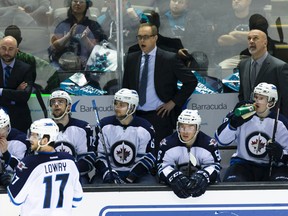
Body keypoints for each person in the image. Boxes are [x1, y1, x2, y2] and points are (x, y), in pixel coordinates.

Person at [122, 23, 198, 153]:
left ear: (155, 38)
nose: (142, 40)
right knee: (137, 153)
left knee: (160, 155)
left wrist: (173, 102)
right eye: (139, 37)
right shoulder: (131, 58)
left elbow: (191, 81)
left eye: (146, 37)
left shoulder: (169, 58)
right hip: (136, 116)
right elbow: (126, 87)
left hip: (159, 116)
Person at [7, 118, 83, 216]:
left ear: (45, 140)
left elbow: (15, 199)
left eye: (34, 135)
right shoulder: (69, 160)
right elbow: (77, 199)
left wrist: (11, 180)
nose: (30, 139)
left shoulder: (30, 163)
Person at [215, 82, 288, 182]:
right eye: (256, 97)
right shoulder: (242, 116)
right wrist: (232, 124)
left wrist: (281, 154)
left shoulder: (280, 122)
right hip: (243, 164)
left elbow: (286, 153)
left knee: (281, 185)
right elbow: (221, 141)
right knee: (233, 184)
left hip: (272, 167)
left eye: (261, 98)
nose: (256, 101)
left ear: (271, 102)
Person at [93, 88, 156, 184]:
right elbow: (99, 156)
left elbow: (148, 158)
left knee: (149, 185)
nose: (117, 107)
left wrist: (131, 176)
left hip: (137, 174)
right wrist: (107, 173)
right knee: (96, 185)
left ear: (132, 107)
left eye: (122, 105)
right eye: (116, 103)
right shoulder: (104, 125)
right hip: (111, 172)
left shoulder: (145, 127)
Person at [157, 109, 221, 198]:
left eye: (190, 127)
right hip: (172, 194)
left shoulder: (209, 144)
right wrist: (173, 176)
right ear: (177, 127)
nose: (185, 131)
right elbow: (162, 166)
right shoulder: (167, 144)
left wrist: (204, 176)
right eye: (182, 126)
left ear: (197, 128)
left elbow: (214, 166)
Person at [48, 89, 96, 184]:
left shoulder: (83, 128)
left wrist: (67, 171)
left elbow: (88, 159)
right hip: (50, 176)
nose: (56, 104)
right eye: (53, 102)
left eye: (61, 101)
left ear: (69, 107)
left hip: (76, 176)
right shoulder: (43, 128)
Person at [238, 29, 288, 117]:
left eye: (255, 38)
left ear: (265, 43)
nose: (251, 41)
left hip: (271, 122)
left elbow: (286, 99)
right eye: (249, 38)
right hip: (248, 121)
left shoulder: (279, 67)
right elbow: (242, 94)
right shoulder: (243, 64)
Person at [49, 0, 107, 71]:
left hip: (87, 67)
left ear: (87, 5)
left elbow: (97, 52)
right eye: (75, 1)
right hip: (63, 66)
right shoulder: (62, 24)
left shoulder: (93, 26)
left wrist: (85, 40)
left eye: (81, 2)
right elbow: (53, 47)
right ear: (71, 3)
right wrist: (67, 36)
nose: (78, 4)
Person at [0, 36, 34, 133]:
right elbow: (19, 95)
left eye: (10, 49)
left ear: (17, 50)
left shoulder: (26, 69)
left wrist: (1, 91)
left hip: (19, 120)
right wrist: (15, 91)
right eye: (3, 48)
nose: (6, 52)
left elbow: (24, 96)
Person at [0, 108, 30, 187]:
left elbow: (21, 169)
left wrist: (6, 153)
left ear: (8, 126)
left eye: (1, 129)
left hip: (13, 181)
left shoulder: (20, 140)